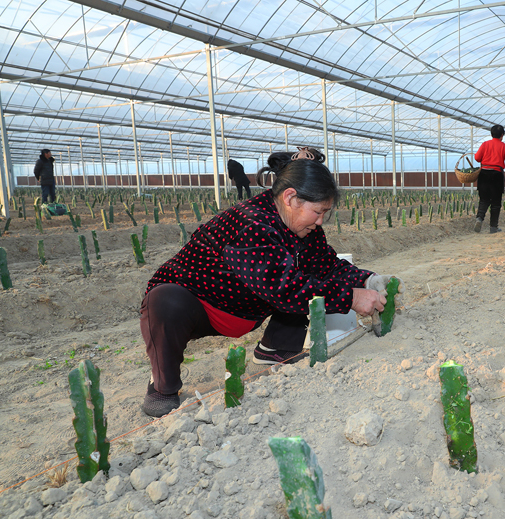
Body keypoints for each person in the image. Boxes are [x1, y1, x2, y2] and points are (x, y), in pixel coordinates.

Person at [140, 147, 402, 417]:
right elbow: (284, 289)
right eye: (318, 211)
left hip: (249, 305)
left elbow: (326, 264)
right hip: (201, 305)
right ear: (291, 198)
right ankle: (162, 387)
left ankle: (274, 347)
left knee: (305, 275)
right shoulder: (253, 224)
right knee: (165, 300)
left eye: (327, 212)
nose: (321, 220)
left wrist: (367, 279)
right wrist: (352, 297)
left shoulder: (303, 227)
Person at [473, 124, 505, 234]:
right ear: (502, 135)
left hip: (484, 174)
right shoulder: (504, 147)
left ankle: (479, 218)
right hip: (497, 175)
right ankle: (493, 227)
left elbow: (477, 158)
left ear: (491, 134)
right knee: (496, 202)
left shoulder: (485, 144)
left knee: (484, 199)